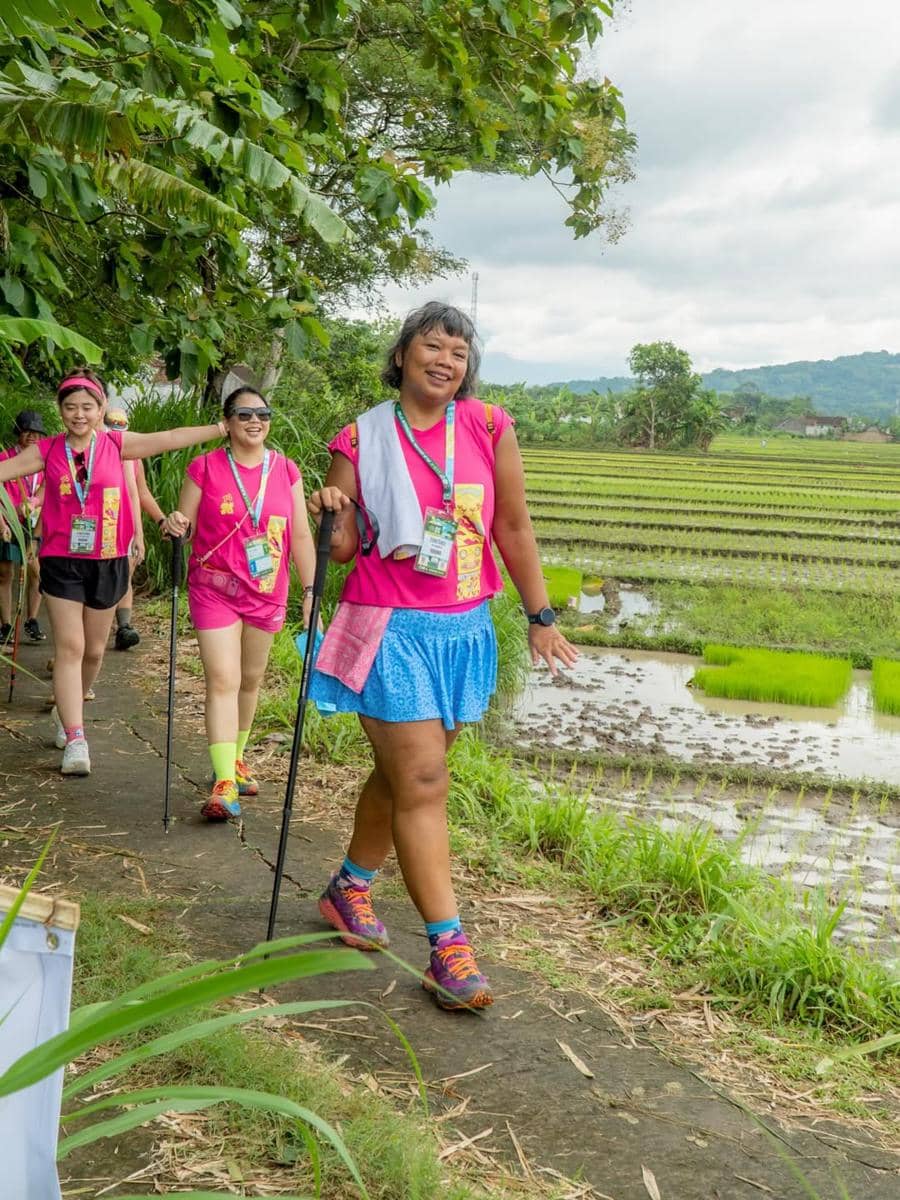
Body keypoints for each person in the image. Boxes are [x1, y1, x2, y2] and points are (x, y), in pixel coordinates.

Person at [307, 301, 578, 1011]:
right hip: (389, 628)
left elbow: (512, 526)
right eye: (432, 346)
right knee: (424, 778)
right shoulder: (362, 436)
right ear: (402, 355)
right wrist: (331, 511)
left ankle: (348, 887)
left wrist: (540, 617)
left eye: (459, 353)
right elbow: (343, 549)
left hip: (463, 630)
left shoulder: (488, 427)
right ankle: (448, 948)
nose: (446, 361)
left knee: (404, 776)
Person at [0, 369, 230, 776]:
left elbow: (170, 437)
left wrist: (221, 428)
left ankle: (69, 708)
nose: (79, 414)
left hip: (108, 560)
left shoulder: (117, 445)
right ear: (60, 410)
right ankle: (76, 736)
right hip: (61, 561)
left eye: (87, 407)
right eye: (70, 407)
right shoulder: (48, 451)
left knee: (94, 651)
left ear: (101, 408)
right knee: (70, 648)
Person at [163, 386, 317, 821]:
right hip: (214, 588)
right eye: (244, 414)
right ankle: (223, 782)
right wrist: (173, 525)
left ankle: (236, 758)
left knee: (250, 680)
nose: (255, 421)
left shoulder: (286, 469)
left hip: (267, 591)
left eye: (263, 414)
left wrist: (311, 591)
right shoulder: (204, 467)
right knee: (223, 679)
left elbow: (300, 535)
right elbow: (183, 528)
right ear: (227, 421)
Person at [103, 408, 166, 651]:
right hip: (100, 527)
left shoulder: (133, 458)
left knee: (124, 575)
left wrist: (161, 520)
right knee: (103, 580)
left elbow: (141, 492)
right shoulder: (94, 453)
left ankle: (124, 626)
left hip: (126, 526)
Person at [0, 410, 47, 645]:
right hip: (7, 522)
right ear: (18, 432)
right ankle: (6, 625)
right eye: (27, 431)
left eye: (37, 433)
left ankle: (32, 619)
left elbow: (48, 488)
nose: (32, 437)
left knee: (37, 571)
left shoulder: (44, 461)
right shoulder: (5, 458)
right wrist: (2, 523)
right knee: (5, 573)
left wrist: (34, 503)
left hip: (34, 524)